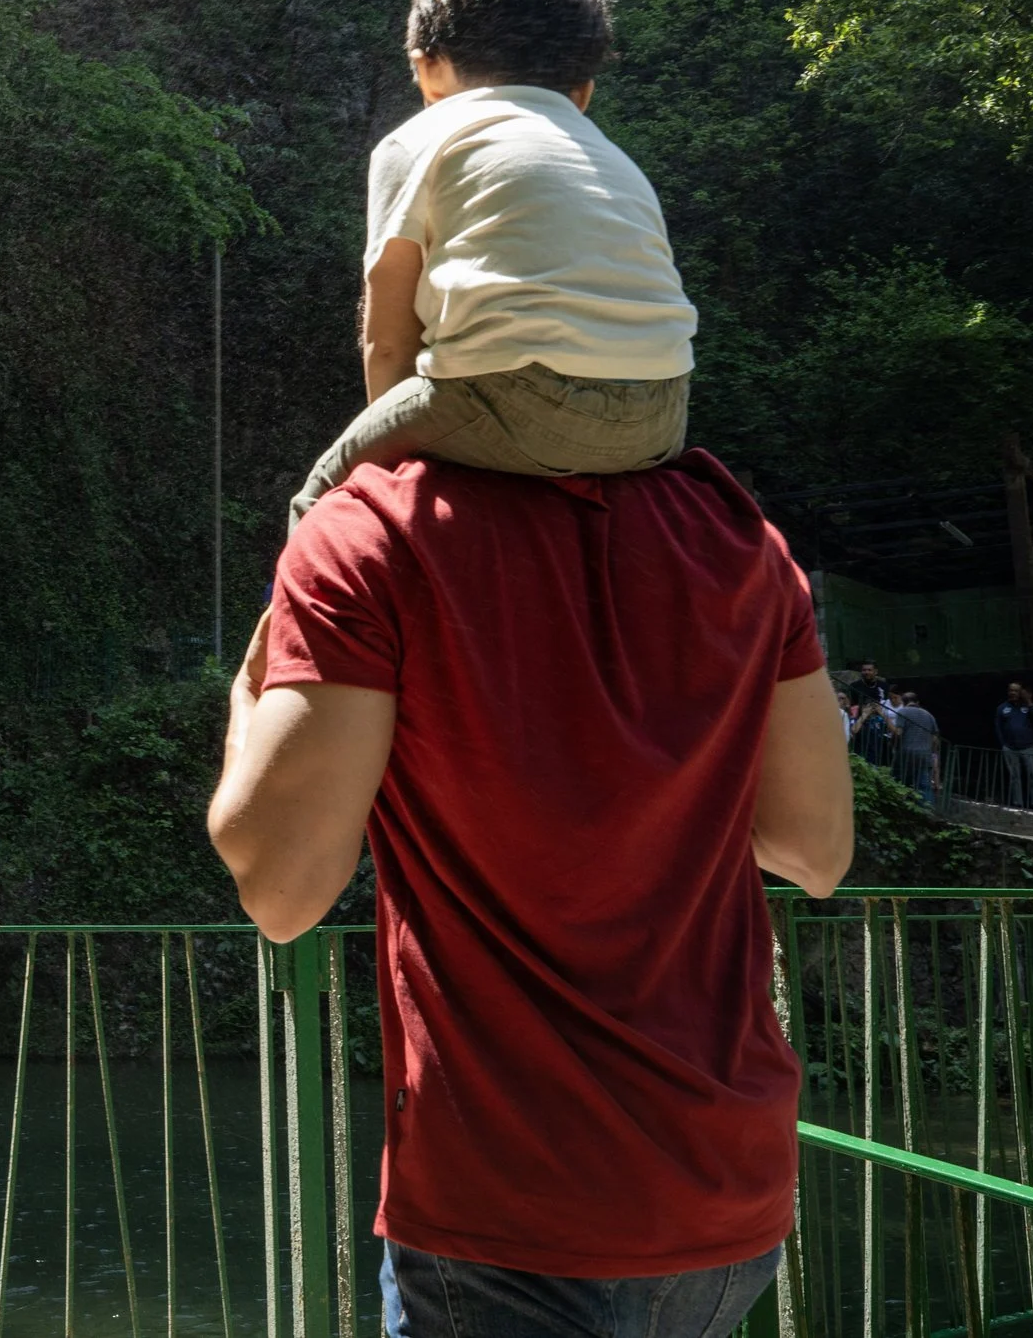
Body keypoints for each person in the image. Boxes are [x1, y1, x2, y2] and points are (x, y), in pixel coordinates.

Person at [207, 449, 853, 1338]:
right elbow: (816, 851)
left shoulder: (371, 534)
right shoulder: (737, 535)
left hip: (505, 1208)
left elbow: (282, 891)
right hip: (722, 1196)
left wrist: (249, 695)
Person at [288, 0, 697, 525]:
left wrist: (397, 466)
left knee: (323, 502)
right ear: (583, 91)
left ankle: (282, 619)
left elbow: (389, 339)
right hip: (662, 415)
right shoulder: (611, 155)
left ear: (425, 68)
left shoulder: (419, 139)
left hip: (514, 397)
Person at [996, 683, 1033, 809]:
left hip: (1029, 746)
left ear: (1020, 693)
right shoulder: (1002, 708)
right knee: (1014, 776)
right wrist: (1004, 744)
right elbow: (998, 727)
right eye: (1011, 690)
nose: (1013, 693)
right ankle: (1017, 802)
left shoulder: (1027, 706)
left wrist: (1029, 701)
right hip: (1010, 747)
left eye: (1016, 691)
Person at [890, 690, 941, 807]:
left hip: (906, 753)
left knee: (899, 781)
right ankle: (928, 812)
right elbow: (935, 739)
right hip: (925, 755)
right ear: (917, 702)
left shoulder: (903, 712)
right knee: (924, 785)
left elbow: (899, 733)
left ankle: (897, 807)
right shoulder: (929, 715)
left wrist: (892, 742)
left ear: (903, 702)